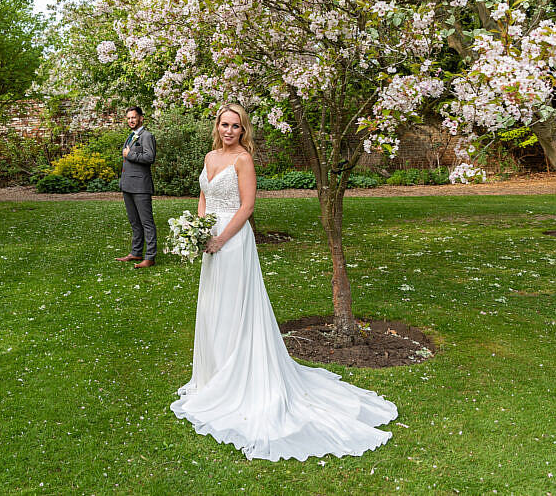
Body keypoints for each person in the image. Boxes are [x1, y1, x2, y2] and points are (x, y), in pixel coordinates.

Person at [170, 103, 397, 461]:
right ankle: (212, 376)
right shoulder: (210, 156)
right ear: (217, 126)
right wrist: (199, 231)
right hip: (210, 239)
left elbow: (246, 207)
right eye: (224, 124)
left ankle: (238, 379)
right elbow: (204, 197)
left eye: (236, 126)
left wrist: (220, 239)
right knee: (214, 307)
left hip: (232, 241)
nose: (229, 131)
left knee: (234, 307)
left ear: (243, 131)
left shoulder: (243, 160)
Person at [114, 106, 157, 268]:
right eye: (129, 118)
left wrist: (129, 154)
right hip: (128, 185)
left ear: (141, 118)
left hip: (141, 186)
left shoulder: (147, 136)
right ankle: (136, 253)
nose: (131, 120)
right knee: (134, 222)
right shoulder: (131, 136)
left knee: (147, 222)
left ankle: (150, 256)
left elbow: (149, 157)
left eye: (134, 117)